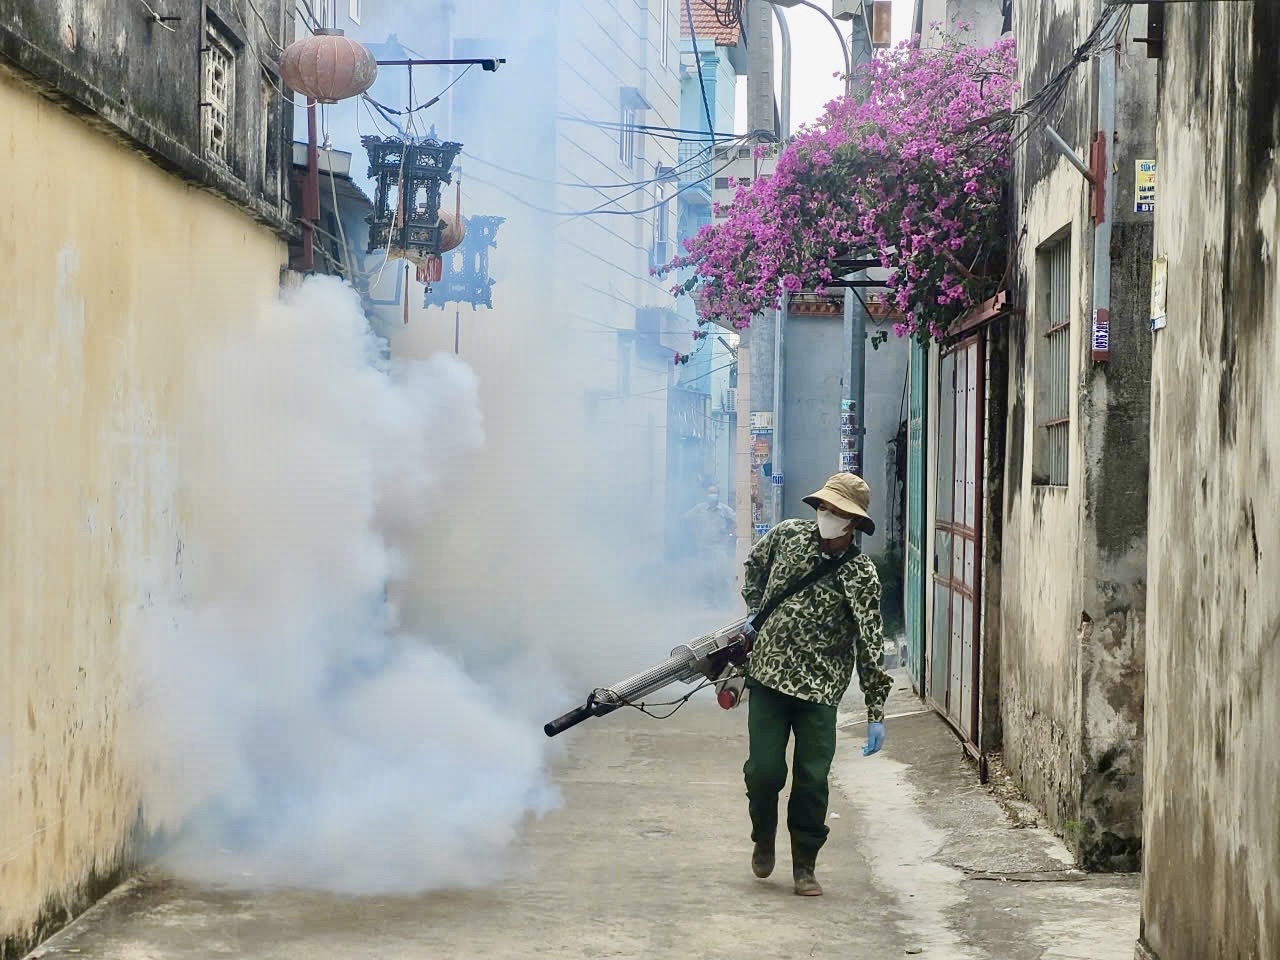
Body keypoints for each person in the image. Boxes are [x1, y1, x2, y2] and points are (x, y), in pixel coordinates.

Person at [739, 472, 893, 897]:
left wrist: (876, 710)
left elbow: (870, 641)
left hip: (820, 692)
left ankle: (805, 864)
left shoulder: (861, 574)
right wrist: (756, 613)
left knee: (812, 779)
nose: (826, 515)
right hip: (768, 677)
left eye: (837, 511)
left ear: (853, 523)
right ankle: (763, 837)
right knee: (764, 771)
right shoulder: (788, 536)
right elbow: (753, 568)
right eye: (824, 506)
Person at [684, 484, 737, 607]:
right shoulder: (700, 508)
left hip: (719, 546)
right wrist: (695, 532)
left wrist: (729, 532)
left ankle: (725, 602)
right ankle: (709, 602)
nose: (712, 495)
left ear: (718, 495)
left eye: (714, 493)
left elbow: (736, 520)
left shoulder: (724, 510)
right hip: (704, 546)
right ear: (706, 495)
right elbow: (687, 518)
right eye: (710, 493)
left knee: (722, 574)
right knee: (706, 576)